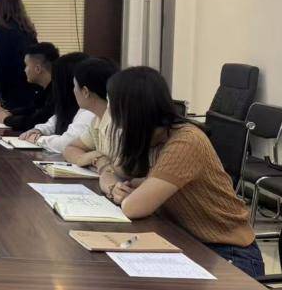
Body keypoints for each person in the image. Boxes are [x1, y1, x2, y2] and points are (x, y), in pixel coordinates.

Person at [100, 67, 264, 277]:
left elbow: (133, 207)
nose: (109, 112)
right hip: (187, 242)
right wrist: (113, 185)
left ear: (130, 111)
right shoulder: (150, 138)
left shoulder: (185, 142)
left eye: (112, 104)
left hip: (229, 254)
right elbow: (116, 171)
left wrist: (120, 189)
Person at [19, 52, 92, 153]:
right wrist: (39, 130)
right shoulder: (69, 104)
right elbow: (54, 121)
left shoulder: (89, 110)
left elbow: (66, 143)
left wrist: (38, 139)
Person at [0, 0, 38, 114]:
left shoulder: (0, 31)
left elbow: (0, 66)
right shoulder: (27, 29)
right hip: (32, 90)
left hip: (12, 94)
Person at [62, 57, 120, 170]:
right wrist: (94, 158)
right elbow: (70, 148)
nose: (73, 91)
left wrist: (92, 159)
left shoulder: (118, 123)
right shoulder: (97, 120)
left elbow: (115, 171)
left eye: (74, 86)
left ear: (85, 92)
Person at [0, 42, 59, 133]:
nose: (24, 70)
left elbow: (36, 121)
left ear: (38, 69)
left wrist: (6, 119)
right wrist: (9, 112)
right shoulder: (46, 89)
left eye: (26, 65)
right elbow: (32, 109)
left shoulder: (58, 92)